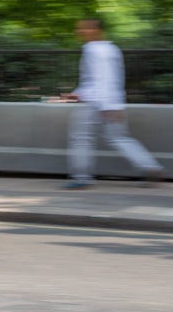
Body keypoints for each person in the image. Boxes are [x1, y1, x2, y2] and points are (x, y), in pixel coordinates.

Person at [60, 17, 166, 189]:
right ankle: (150, 166)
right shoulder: (112, 48)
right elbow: (110, 80)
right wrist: (112, 103)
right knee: (118, 137)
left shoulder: (93, 50)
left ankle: (81, 177)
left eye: (83, 28)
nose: (78, 32)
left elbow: (102, 79)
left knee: (80, 139)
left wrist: (105, 105)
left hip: (94, 102)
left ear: (95, 28)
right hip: (107, 101)